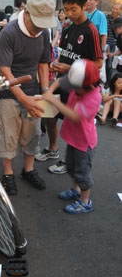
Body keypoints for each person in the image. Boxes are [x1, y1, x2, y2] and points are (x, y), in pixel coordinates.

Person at [35, 0, 103, 175]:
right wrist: (56, 64)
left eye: (74, 9)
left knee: (73, 125)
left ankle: (69, 160)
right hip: (62, 80)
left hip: (80, 87)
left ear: (84, 7)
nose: (70, 13)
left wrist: (70, 68)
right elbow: (64, 55)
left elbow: (98, 63)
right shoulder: (66, 28)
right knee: (50, 115)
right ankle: (52, 148)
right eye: (66, 9)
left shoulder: (91, 30)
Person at [0, 0, 56, 196]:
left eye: (42, 25)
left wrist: (45, 91)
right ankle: (8, 173)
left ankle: (28, 169)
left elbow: (43, 63)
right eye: (37, 23)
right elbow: (5, 70)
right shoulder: (9, 32)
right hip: (8, 89)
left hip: (33, 90)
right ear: (26, 13)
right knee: (9, 133)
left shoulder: (44, 33)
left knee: (33, 132)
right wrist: (23, 99)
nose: (38, 28)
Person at [43, 59, 101, 214]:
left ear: (88, 86)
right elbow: (60, 81)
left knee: (82, 173)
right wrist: (49, 90)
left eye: (76, 88)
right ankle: (76, 190)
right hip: (74, 139)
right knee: (71, 167)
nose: (73, 90)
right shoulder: (80, 84)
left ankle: (85, 201)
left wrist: (53, 101)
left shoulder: (94, 98)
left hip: (84, 143)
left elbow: (75, 116)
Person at [105, 2, 121, 84]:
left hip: (112, 45)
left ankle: (109, 82)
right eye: (113, 8)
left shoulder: (120, 20)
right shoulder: (106, 17)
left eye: (117, 9)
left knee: (109, 65)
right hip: (104, 45)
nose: (114, 10)